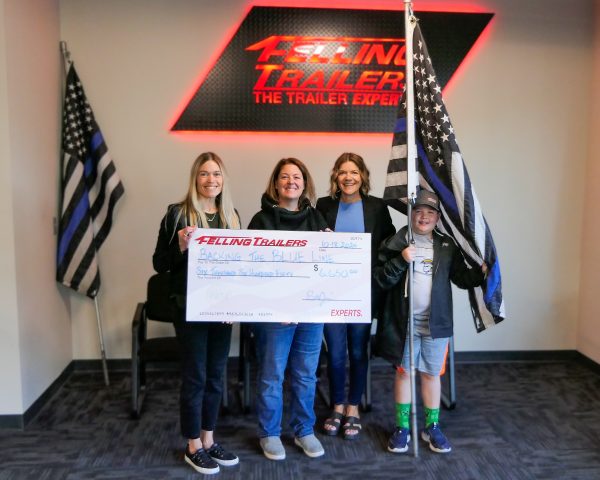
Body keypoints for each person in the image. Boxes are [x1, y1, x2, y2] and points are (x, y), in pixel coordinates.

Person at [374, 189, 487, 454]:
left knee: (431, 374)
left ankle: (432, 426)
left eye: (430, 212)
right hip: (404, 324)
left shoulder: (446, 246)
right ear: (411, 214)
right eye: (418, 211)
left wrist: (482, 273)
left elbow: (461, 278)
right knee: (404, 373)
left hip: (436, 324)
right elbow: (380, 279)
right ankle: (402, 427)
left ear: (437, 217)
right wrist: (402, 260)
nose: (423, 216)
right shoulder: (395, 242)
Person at [152, 152, 241, 475]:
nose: (210, 180)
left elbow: (237, 269)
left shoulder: (232, 216)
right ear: (195, 178)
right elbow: (159, 264)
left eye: (216, 173)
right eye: (204, 174)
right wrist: (179, 246)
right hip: (189, 309)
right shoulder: (177, 215)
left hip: (220, 310)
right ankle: (192, 444)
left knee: (216, 377)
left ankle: (208, 438)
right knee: (196, 377)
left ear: (223, 179)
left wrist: (234, 304)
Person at [248, 157, 329, 461]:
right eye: (284, 177)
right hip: (274, 314)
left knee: (306, 375)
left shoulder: (317, 218)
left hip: (310, 312)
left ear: (305, 183)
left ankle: (303, 430)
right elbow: (251, 268)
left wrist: (332, 247)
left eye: (297, 177)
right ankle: (269, 433)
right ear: (276, 183)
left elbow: (325, 266)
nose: (291, 181)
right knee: (272, 375)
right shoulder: (261, 220)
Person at [316, 152, 395, 440]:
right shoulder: (323, 206)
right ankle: (337, 406)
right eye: (342, 172)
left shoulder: (377, 207)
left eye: (354, 172)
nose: (348, 177)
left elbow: (387, 247)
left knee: (359, 352)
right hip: (330, 294)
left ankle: (353, 409)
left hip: (362, 294)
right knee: (336, 354)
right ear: (335, 176)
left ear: (362, 176)